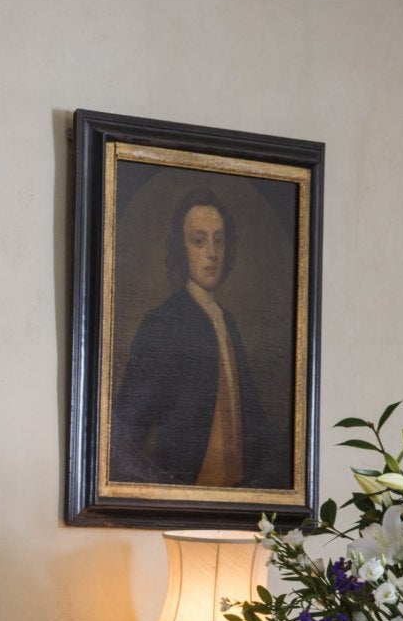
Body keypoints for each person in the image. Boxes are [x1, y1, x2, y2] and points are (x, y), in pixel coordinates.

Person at [108, 186, 290, 490]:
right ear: (182, 250)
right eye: (199, 241)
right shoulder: (164, 323)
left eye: (219, 241)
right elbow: (125, 432)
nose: (212, 253)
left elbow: (254, 423)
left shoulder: (226, 321)